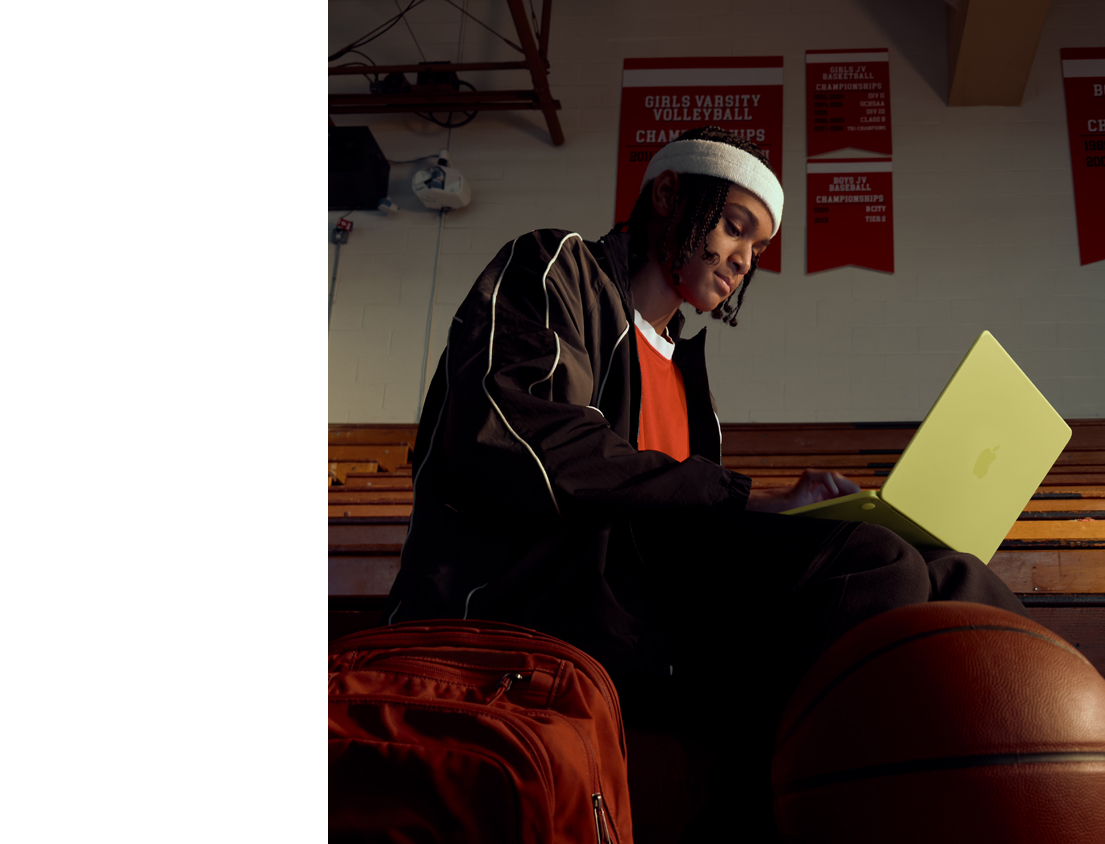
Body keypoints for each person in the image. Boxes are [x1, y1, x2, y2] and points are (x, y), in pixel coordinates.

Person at [384, 126, 1031, 841]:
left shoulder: (691, 381)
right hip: (532, 601)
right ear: (667, 194)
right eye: (734, 227)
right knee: (877, 568)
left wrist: (784, 517)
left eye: (756, 250)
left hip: (647, 615)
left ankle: (1041, 789)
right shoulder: (557, 270)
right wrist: (746, 498)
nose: (744, 261)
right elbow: (521, 440)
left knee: (958, 579)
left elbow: (690, 522)